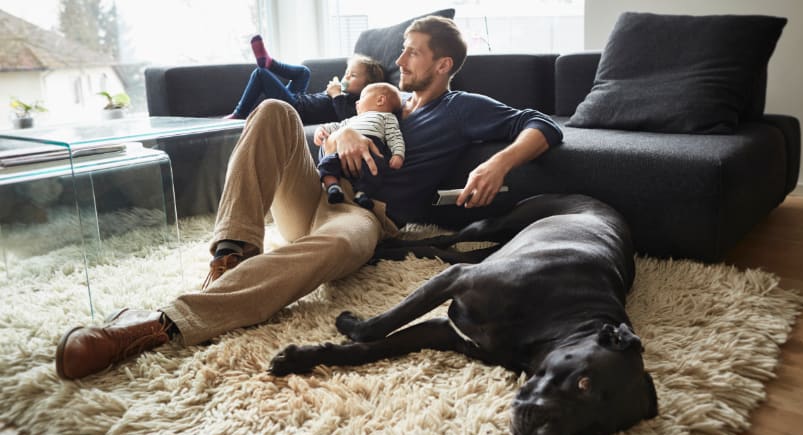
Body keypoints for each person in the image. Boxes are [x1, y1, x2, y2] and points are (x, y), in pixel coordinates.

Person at [54, 16, 564, 380]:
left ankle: (157, 326)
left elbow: (538, 123)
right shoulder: (386, 100)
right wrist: (337, 134)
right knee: (275, 108)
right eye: (401, 48)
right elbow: (329, 123)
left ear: (443, 63)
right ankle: (229, 258)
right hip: (313, 193)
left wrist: (498, 162)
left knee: (343, 245)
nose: (398, 58)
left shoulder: (459, 108)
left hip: (363, 215)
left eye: (412, 50)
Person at [225, 35, 384, 124]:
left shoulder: (356, 104)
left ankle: (239, 113)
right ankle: (270, 63)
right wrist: (331, 93)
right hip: (298, 102)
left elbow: (347, 119)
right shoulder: (344, 94)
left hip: (295, 111)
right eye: (347, 72)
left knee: (260, 74)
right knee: (304, 72)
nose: (347, 76)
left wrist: (336, 95)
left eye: (353, 75)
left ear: (366, 87)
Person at [315, 82, 405, 210]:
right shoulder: (352, 119)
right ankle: (333, 187)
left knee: (376, 169)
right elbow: (335, 126)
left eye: (361, 98)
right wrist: (321, 130)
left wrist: (398, 154)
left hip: (371, 148)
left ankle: (362, 194)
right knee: (327, 163)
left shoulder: (387, 117)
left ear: (380, 100)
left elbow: (395, 136)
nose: (357, 102)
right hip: (341, 149)